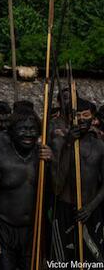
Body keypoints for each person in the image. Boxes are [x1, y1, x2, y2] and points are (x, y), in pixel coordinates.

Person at [0, 109, 52, 270]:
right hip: (4, 230)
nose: (28, 134)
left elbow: (57, 189)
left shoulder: (43, 157)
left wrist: (53, 162)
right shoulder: (0, 158)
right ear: (12, 132)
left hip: (33, 230)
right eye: (22, 129)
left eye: (33, 129)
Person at [50, 98, 104, 265]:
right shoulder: (59, 142)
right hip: (65, 211)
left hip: (91, 210)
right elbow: (57, 185)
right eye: (77, 115)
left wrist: (91, 206)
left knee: (92, 261)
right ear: (70, 118)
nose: (81, 119)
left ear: (93, 118)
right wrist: (68, 144)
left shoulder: (100, 146)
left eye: (85, 115)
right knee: (63, 262)